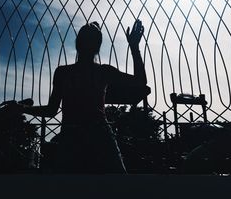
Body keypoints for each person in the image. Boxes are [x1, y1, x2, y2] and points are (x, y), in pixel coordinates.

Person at [25, 19, 147, 173]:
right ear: (98, 47)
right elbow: (140, 81)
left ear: (77, 43)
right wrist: (134, 48)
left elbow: (51, 110)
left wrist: (22, 108)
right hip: (99, 135)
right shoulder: (103, 72)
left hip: (72, 135)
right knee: (117, 185)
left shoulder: (63, 73)